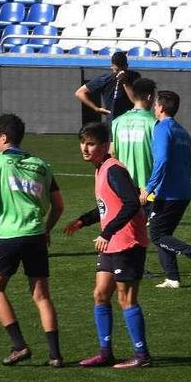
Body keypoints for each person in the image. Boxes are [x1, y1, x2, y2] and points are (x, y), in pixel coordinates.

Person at [0, 114, 64, 367]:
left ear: (4, 137)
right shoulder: (41, 164)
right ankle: (55, 355)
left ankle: (19, 345)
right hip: (35, 236)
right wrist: (47, 229)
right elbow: (59, 205)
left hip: (8, 236)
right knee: (41, 295)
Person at [64, 123, 153, 368]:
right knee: (100, 294)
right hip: (112, 243)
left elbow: (131, 203)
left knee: (127, 299)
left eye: (91, 143)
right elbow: (108, 206)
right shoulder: (100, 168)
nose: (85, 148)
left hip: (127, 243)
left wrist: (107, 232)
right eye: (83, 142)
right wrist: (82, 220)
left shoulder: (113, 169)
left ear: (104, 147)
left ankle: (142, 356)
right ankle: (105, 352)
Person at [142, 90, 191, 288]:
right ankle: (172, 278)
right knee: (164, 235)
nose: (154, 108)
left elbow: (161, 160)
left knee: (156, 235)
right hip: (183, 191)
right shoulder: (182, 131)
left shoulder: (162, 129)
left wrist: (149, 188)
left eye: (156, 105)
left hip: (168, 192)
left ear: (161, 107)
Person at [111, 77, 157, 199]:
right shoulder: (154, 123)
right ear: (149, 97)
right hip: (147, 188)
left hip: (123, 186)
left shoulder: (116, 122)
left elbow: (112, 153)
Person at [74, 51, 141, 122]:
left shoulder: (134, 78)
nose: (119, 73)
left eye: (122, 70)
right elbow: (79, 93)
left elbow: (136, 101)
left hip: (130, 121)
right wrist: (96, 108)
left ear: (126, 66)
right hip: (113, 121)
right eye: (117, 70)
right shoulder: (105, 79)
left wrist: (125, 83)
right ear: (112, 66)